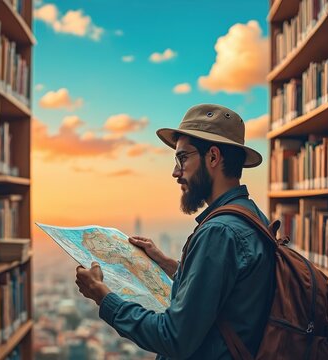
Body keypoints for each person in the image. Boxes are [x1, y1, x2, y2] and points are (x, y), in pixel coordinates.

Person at [75, 104, 275, 359]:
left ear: (213, 157)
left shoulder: (219, 232)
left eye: (183, 158)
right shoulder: (251, 216)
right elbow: (228, 291)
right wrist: (167, 263)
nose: (175, 172)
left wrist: (103, 297)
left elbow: (172, 337)